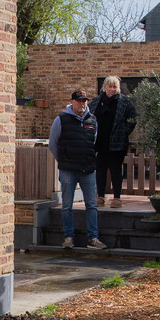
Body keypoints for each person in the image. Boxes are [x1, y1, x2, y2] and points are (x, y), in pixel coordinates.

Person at [48, 89, 106, 250]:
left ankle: (93, 238)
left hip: (88, 170)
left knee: (92, 205)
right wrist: (64, 160)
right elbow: (53, 143)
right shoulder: (61, 119)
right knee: (67, 205)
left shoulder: (92, 120)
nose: (82, 104)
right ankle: (68, 237)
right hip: (68, 170)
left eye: (85, 101)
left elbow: (93, 143)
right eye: (79, 100)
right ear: (72, 102)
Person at [92, 76, 137, 208]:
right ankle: (100, 197)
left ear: (118, 88)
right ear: (104, 87)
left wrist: (124, 132)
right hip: (100, 143)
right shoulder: (96, 101)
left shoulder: (125, 102)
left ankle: (117, 198)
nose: (112, 89)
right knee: (100, 170)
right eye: (109, 86)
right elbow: (89, 117)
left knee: (116, 170)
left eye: (115, 87)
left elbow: (133, 119)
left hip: (117, 143)